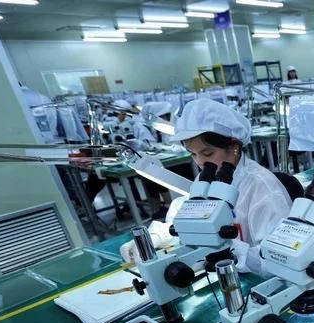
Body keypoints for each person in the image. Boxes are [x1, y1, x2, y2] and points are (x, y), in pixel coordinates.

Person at [120, 99, 292, 276]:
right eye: (193, 154)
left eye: (207, 153)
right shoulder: (208, 178)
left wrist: (227, 248)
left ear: (234, 147)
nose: (201, 162)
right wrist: (155, 238)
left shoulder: (261, 188)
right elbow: (188, 220)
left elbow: (277, 260)